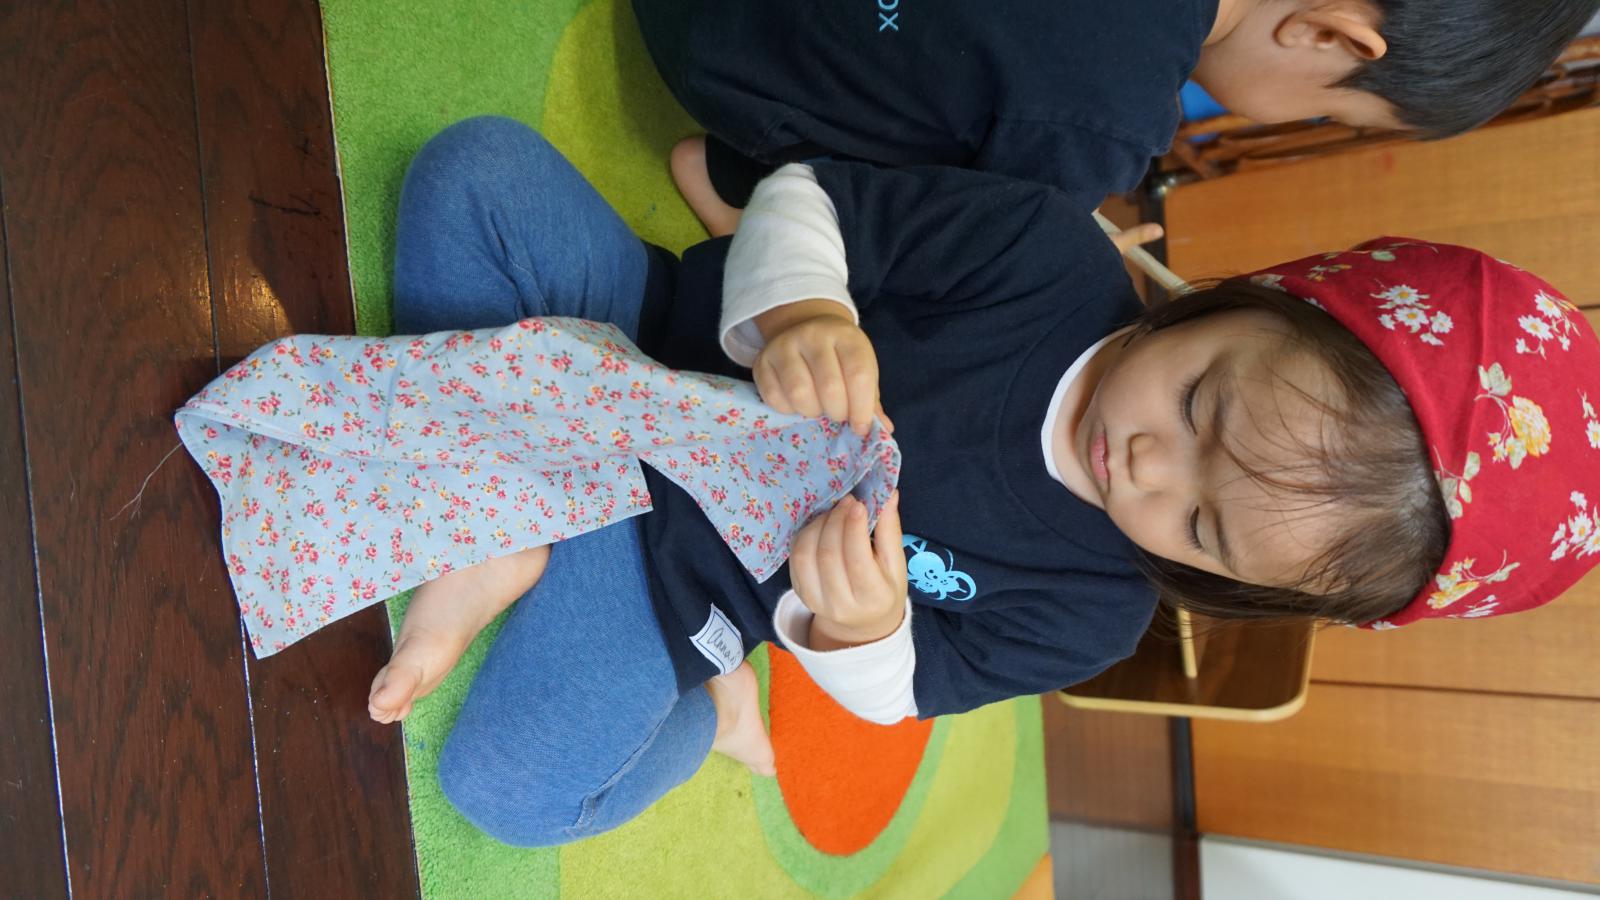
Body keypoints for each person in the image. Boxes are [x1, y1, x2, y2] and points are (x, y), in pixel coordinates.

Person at [191, 118, 1600, 848]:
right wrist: (803, 309)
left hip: (671, 584)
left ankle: (678, 692)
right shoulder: (1047, 258)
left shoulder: (1089, 615)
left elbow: (902, 692)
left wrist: (856, 630)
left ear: (1231, 582)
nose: (1150, 466)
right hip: (636, 343)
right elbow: (808, 198)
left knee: (511, 789)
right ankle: (503, 525)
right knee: (476, 175)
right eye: (1200, 404)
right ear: (1257, 299)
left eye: (1203, 524)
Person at [632, 0, 1600, 233]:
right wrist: (1065, 221)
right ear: (1327, 36)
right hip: (718, 40)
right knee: (974, 234)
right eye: (1337, 113)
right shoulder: (1111, 130)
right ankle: (745, 193)